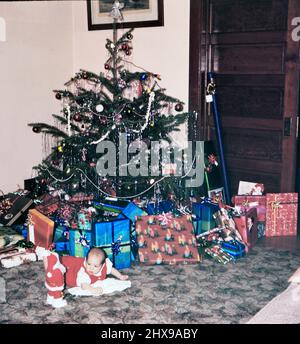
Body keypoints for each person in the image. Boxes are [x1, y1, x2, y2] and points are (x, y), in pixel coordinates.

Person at [61, 247, 129, 296]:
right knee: (57, 270)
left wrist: (120, 276)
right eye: (89, 264)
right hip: (69, 268)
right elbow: (84, 285)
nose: (91, 268)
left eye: (95, 266)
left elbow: (111, 269)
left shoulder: (105, 266)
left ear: (102, 265)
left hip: (73, 264)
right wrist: (93, 289)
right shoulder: (84, 273)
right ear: (86, 260)